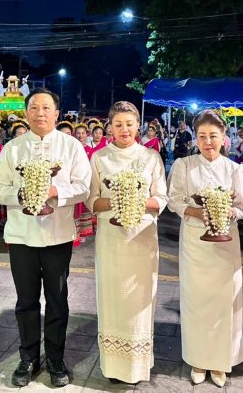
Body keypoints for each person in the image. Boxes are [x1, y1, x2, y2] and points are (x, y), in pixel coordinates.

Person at [0, 88, 91, 388]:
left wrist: (54, 192)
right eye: (34, 107)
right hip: (21, 236)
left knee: (58, 300)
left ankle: (56, 358)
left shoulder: (71, 147)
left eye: (46, 108)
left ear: (57, 113)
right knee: (25, 301)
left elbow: (84, 187)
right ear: (26, 112)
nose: (40, 113)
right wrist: (23, 195)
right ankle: (28, 357)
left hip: (58, 235)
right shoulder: (13, 148)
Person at [167, 111, 243, 387]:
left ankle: (220, 361)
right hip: (194, 243)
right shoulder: (184, 165)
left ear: (224, 138)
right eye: (202, 136)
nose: (208, 142)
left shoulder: (234, 169)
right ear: (196, 138)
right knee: (196, 300)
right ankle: (198, 358)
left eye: (213, 136)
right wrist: (196, 212)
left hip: (225, 245)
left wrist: (230, 212)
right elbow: (173, 201)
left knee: (224, 301)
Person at [87, 101, 167, 384]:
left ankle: (138, 364)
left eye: (129, 124)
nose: (124, 130)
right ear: (110, 127)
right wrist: (116, 201)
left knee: (140, 302)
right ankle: (113, 366)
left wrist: (139, 202)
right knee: (112, 299)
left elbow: (162, 198)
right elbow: (91, 200)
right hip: (111, 240)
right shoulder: (99, 158)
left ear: (138, 126)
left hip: (143, 239)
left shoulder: (150, 158)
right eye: (118, 124)